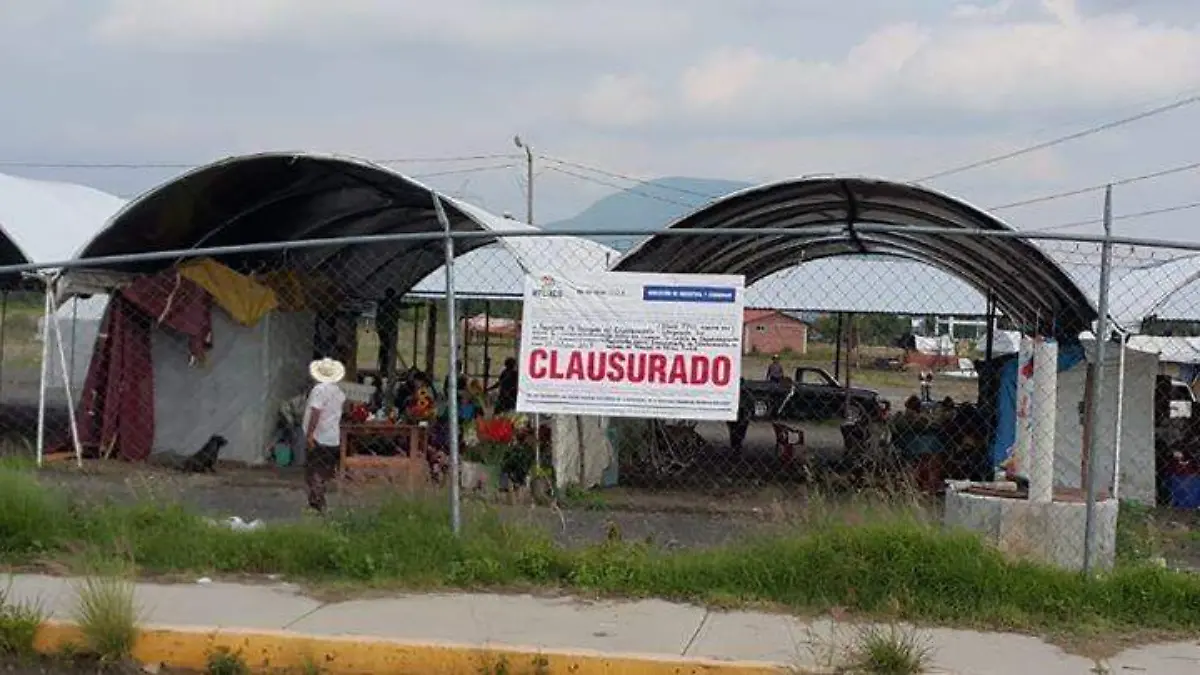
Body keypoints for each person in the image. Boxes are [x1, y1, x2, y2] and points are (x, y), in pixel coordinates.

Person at [303, 358, 348, 513]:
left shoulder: (319, 390)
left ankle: (318, 503)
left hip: (319, 436)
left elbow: (316, 412)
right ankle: (315, 503)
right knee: (323, 471)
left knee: (313, 471)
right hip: (333, 437)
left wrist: (310, 434)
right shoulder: (339, 393)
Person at [375, 288, 403, 382]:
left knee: (385, 349)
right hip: (386, 329)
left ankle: (384, 368)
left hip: (384, 329)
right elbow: (402, 305)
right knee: (386, 349)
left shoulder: (383, 303)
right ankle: (384, 369)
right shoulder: (390, 303)